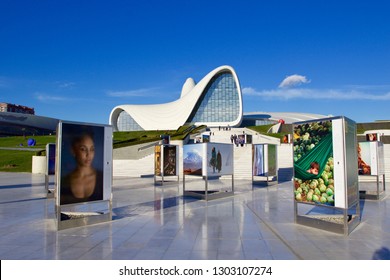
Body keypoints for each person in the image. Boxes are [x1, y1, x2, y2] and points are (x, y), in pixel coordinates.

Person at [61, 131, 103, 205]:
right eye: (83, 149)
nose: (88, 154)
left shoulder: (102, 178)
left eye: (92, 149)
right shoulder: (64, 181)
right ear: (73, 151)